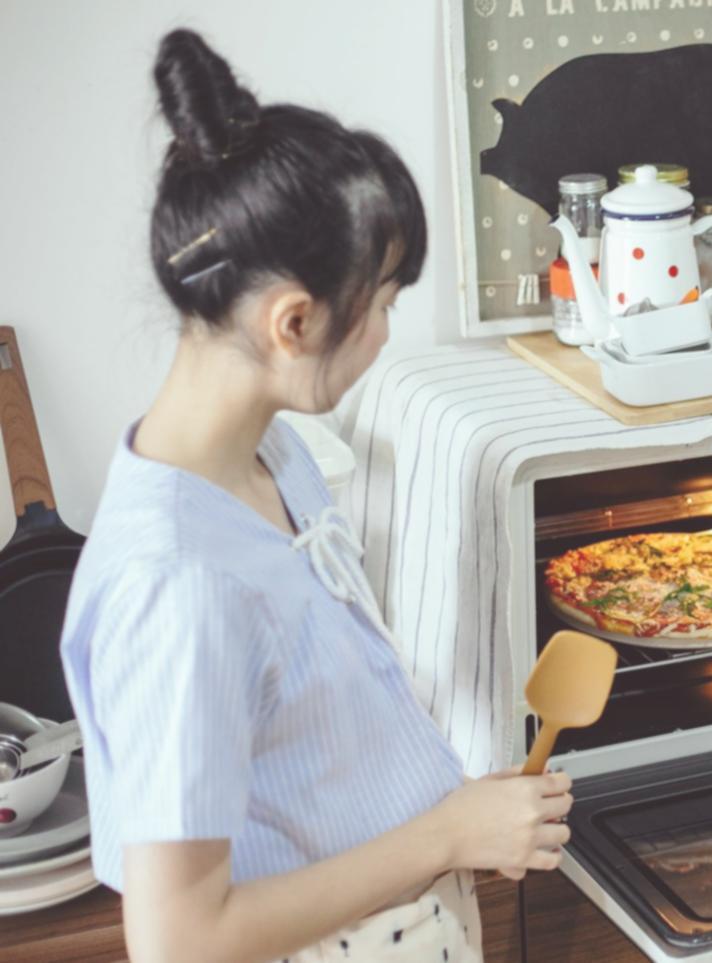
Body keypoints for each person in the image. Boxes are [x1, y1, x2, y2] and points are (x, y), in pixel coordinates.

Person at [59, 29, 569, 963]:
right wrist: (450, 833)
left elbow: (314, 734)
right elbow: (181, 940)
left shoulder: (275, 454)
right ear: (292, 321)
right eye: (379, 300)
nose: (384, 330)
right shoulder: (178, 585)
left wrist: (460, 811)